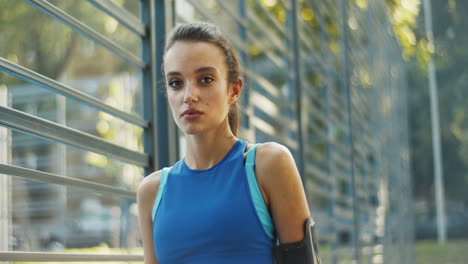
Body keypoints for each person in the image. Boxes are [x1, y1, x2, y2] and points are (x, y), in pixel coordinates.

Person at [137, 22, 311, 264]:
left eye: (205, 79)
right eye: (176, 83)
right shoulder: (152, 192)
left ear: (234, 90)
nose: (189, 96)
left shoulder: (268, 164)